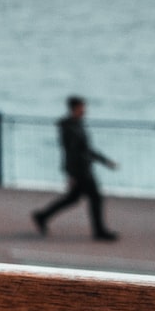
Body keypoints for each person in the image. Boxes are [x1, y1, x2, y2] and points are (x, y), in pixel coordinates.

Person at [33, 96, 119, 241]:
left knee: (72, 198)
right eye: (81, 107)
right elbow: (71, 152)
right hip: (80, 170)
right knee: (95, 198)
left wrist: (104, 161)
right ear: (74, 108)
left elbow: (86, 149)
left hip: (83, 167)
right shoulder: (69, 128)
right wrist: (71, 174)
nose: (84, 110)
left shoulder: (77, 125)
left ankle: (42, 216)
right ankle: (99, 231)